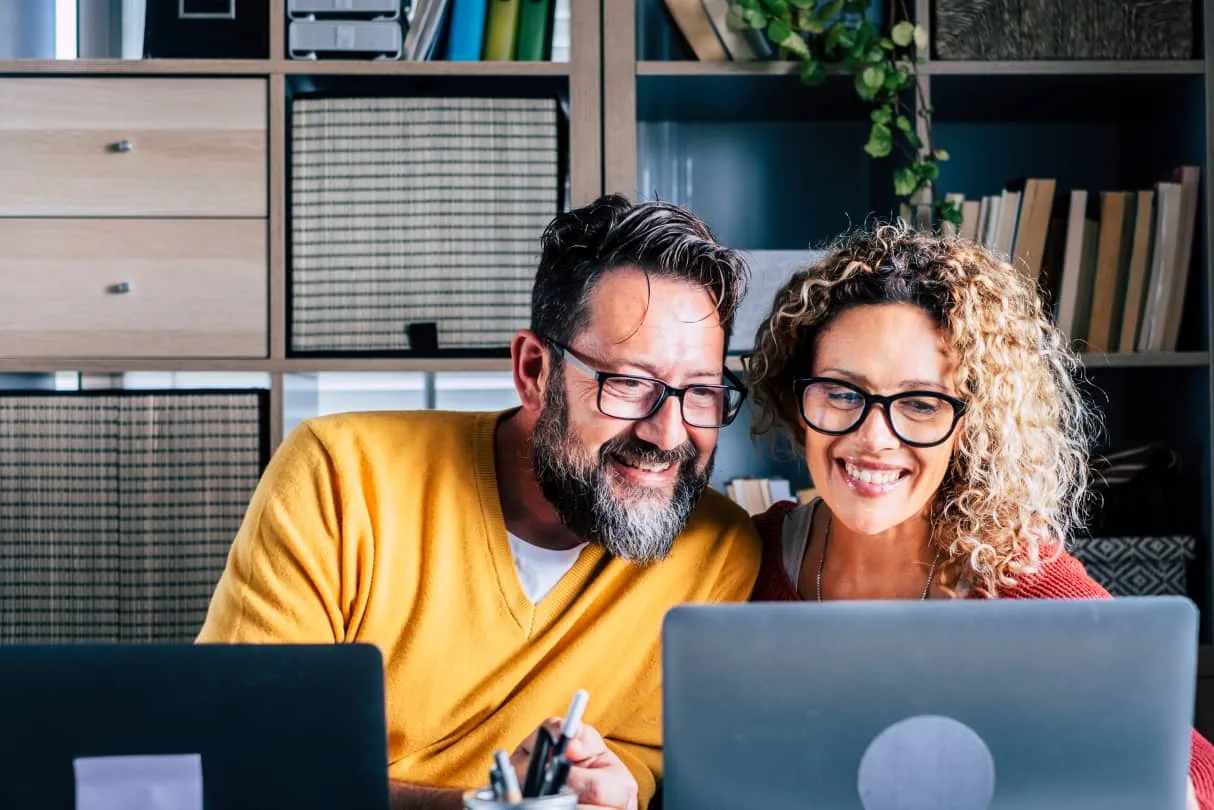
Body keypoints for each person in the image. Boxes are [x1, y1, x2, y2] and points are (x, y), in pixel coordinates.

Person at [196, 194, 763, 810]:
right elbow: (239, 761)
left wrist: (610, 787)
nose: (669, 433)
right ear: (533, 371)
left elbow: (638, 757)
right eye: (628, 383)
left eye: (702, 392)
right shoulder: (340, 474)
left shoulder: (718, 549)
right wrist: (469, 806)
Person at [743, 222, 1214, 809]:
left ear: (969, 427)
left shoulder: (1016, 577)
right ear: (797, 395)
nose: (873, 438)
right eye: (841, 392)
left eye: (920, 403)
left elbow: (1195, 768)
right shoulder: (742, 560)